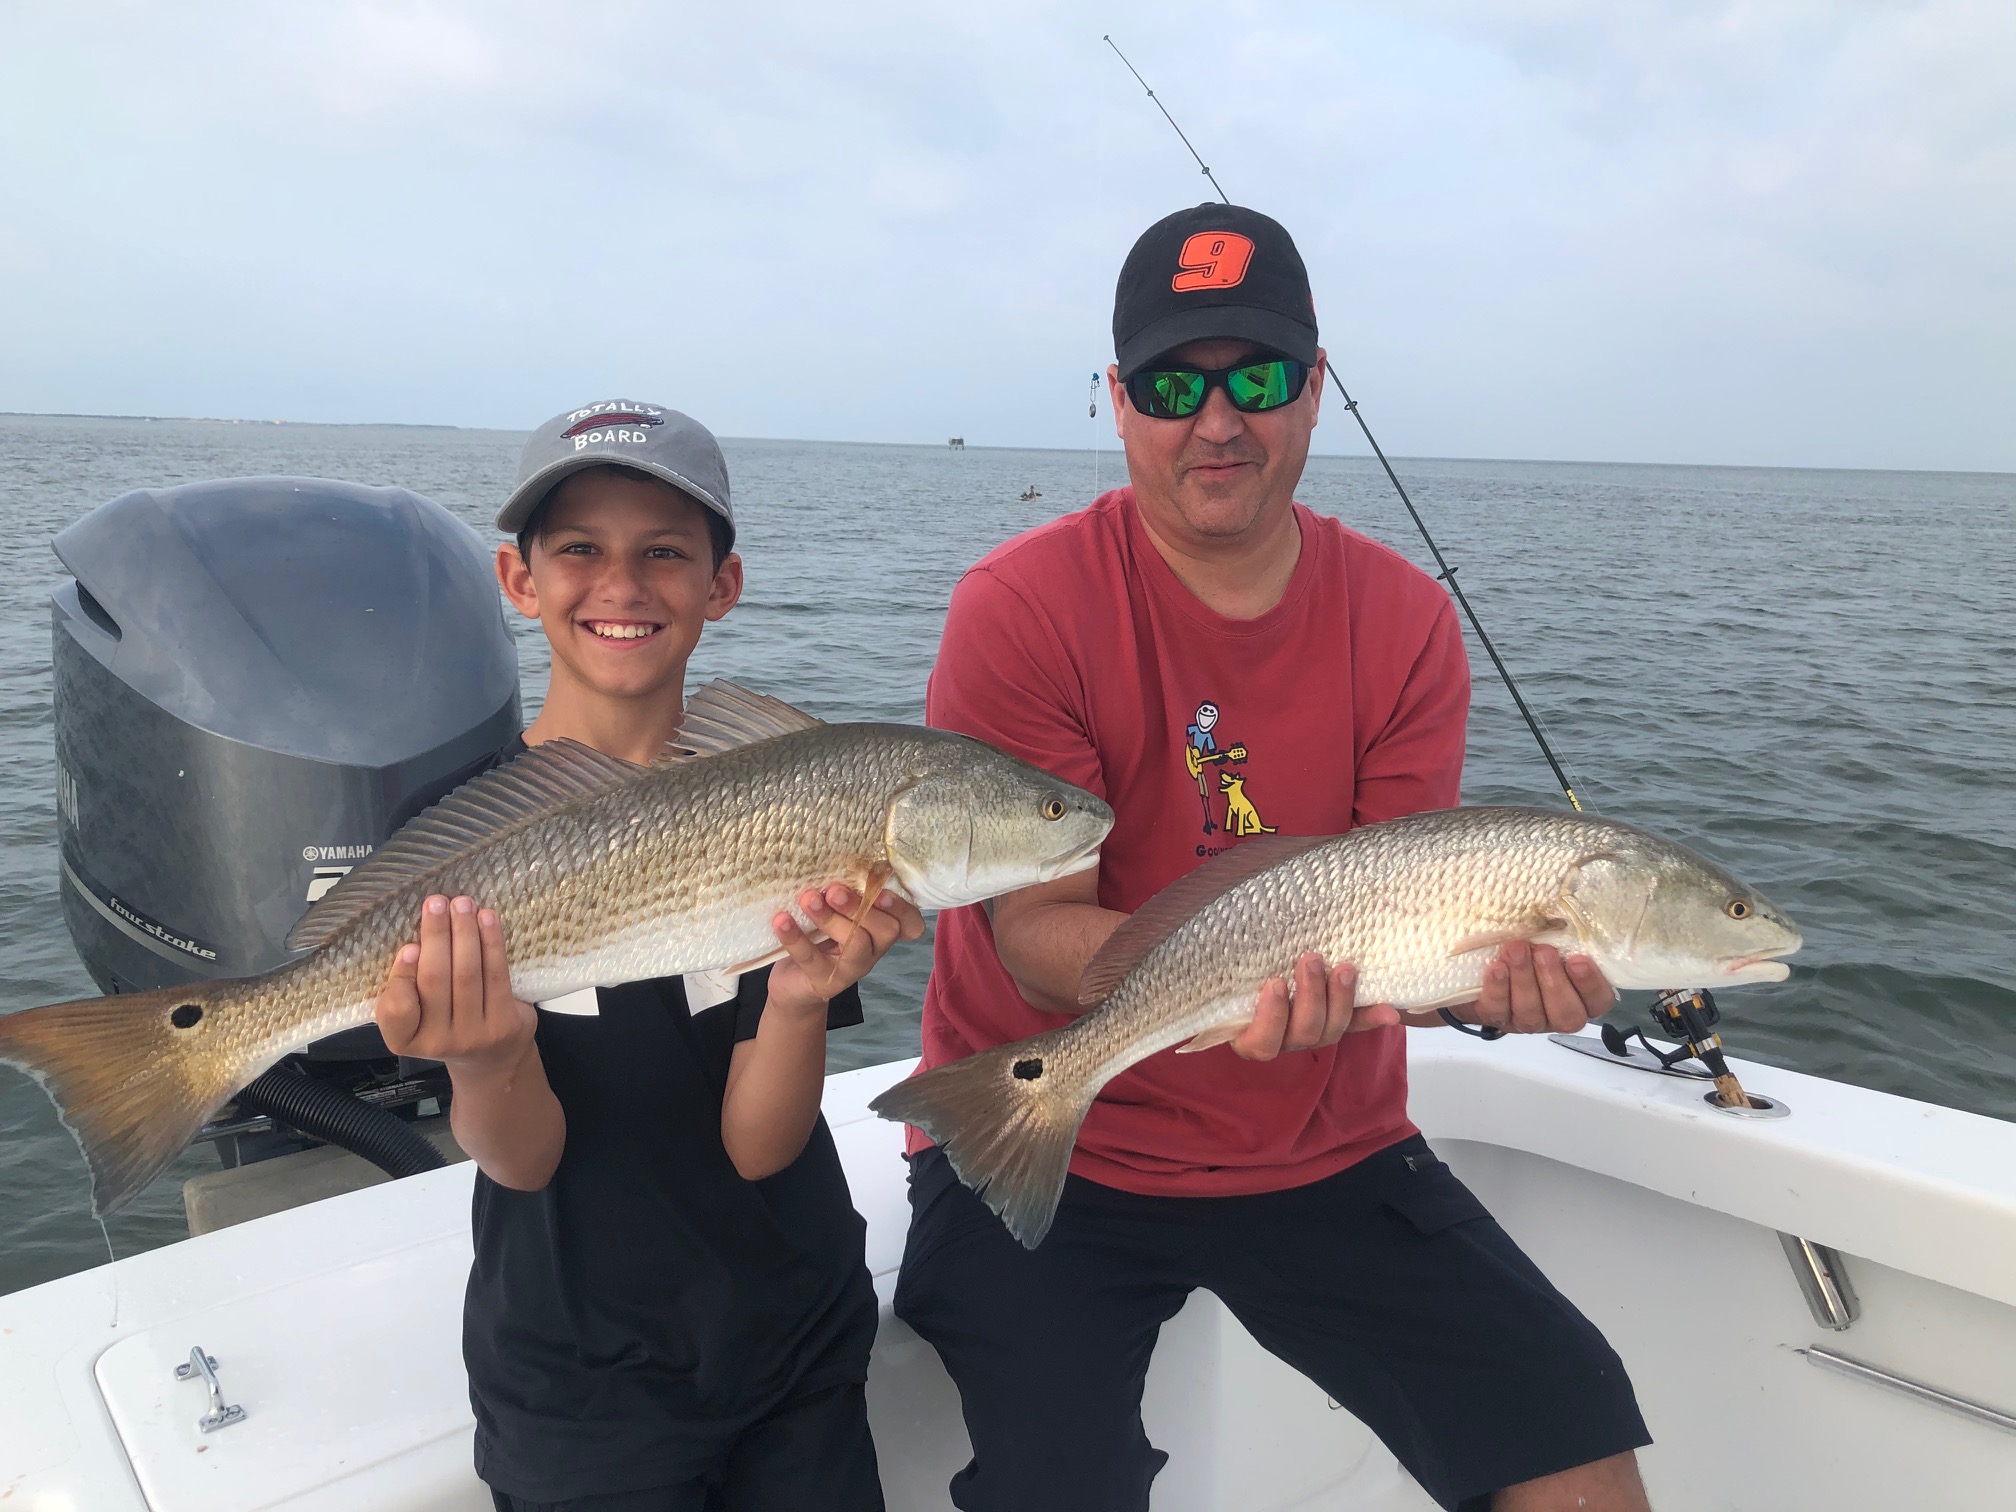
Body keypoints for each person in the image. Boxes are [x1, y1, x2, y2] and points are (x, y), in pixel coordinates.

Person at [891, 207, 1654, 1512]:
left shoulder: (1406, 620)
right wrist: (1218, 979)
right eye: (1175, 383)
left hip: (1327, 1143)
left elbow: (1416, 911)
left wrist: (1500, 987)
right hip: (1055, 1127)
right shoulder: (1020, 606)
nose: (1218, 420)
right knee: (1053, 1485)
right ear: (1119, 401)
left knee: (1572, 1435)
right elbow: (1030, 927)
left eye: (1257, 379)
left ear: (1314, 392)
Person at [370, 400, 922, 1512]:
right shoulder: (459, 839)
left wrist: (803, 1001)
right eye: (580, 549)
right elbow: (521, 1162)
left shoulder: (802, 799)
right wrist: (482, 1060)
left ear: (722, 585)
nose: (620, 587)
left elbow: (761, 1148)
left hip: (794, 1342)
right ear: (519, 581)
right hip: (577, 1379)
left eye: (664, 553)